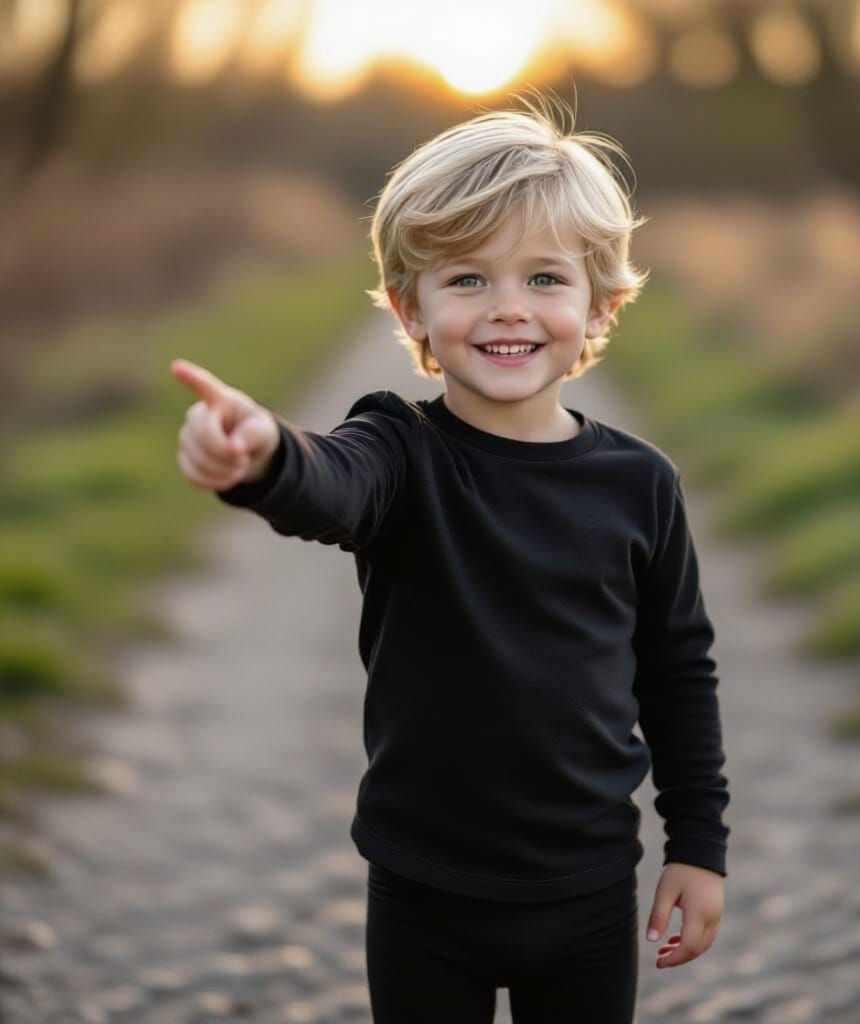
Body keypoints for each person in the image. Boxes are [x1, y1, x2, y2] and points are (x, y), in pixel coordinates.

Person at [170, 91, 730, 1023]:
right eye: (466, 279)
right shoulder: (396, 451)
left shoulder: (641, 485)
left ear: (599, 302)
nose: (507, 309)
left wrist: (699, 847)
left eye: (546, 279)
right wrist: (261, 452)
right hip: (423, 890)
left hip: (588, 891)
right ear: (411, 307)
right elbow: (327, 484)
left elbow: (679, 673)